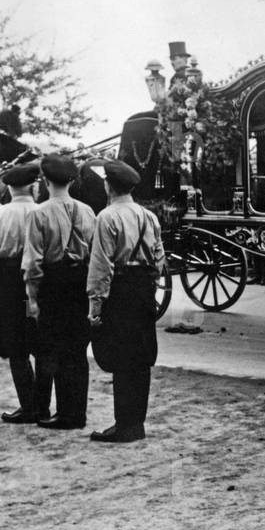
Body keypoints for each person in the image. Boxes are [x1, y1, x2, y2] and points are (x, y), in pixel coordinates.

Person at [87, 160, 166, 443]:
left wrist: (95, 307)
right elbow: (159, 261)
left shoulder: (106, 217)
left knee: (121, 358)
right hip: (143, 290)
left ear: (108, 185)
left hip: (119, 291)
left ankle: (124, 425)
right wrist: (148, 287)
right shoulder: (149, 216)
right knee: (141, 358)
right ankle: (136, 423)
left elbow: (101, 267)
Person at [24, 155, 96, 430]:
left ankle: (61, 413)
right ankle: (76, 412)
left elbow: (32, 263)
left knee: (53, 347)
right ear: (72, 180)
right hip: (80, 282)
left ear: (45, 179)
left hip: (52, 284)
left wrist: (32, 298)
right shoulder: (87, 211)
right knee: (77, 350)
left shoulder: (38, 213)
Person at [0, 163, 42, 423]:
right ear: (34, 186)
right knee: (43, 345)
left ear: (7, 187)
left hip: (8, 280)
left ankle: (28, 406)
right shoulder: (43, 212)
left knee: (16, 347)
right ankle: (44, 406)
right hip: (41, 278)